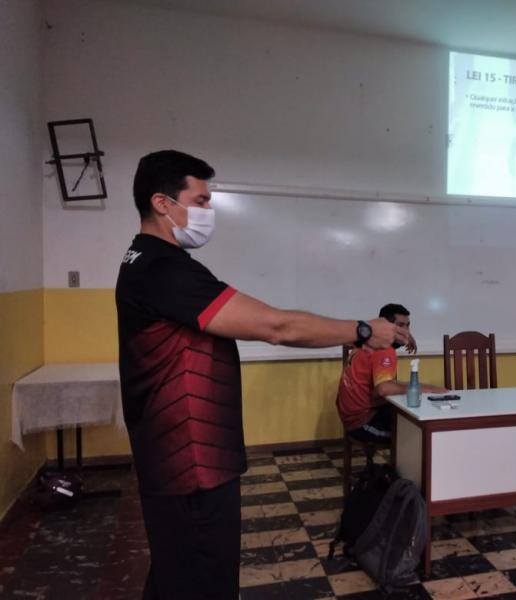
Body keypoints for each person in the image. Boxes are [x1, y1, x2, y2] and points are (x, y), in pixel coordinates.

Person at [115, 150, 407, 600]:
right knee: (200, 580)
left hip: (177, 459)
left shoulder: (145, 261)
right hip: (191, 465)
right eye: (201, 200)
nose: (209, 211)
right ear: (162, 203)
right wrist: (364, 331)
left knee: (176, 575)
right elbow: (276, 326)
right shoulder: (163, 269)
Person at [337, 303, 446, 443]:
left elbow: (383, 387)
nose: (406, 331)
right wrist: (432, 389)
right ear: (386, 326)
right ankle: (401, 464)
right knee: (421, 434)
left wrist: (404, 334)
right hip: (363, 423)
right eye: (400, 325)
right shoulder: (384, 351)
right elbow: (383, 389)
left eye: (408, 326)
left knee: (410, 411)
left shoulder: (366, 339)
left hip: (352, 415)